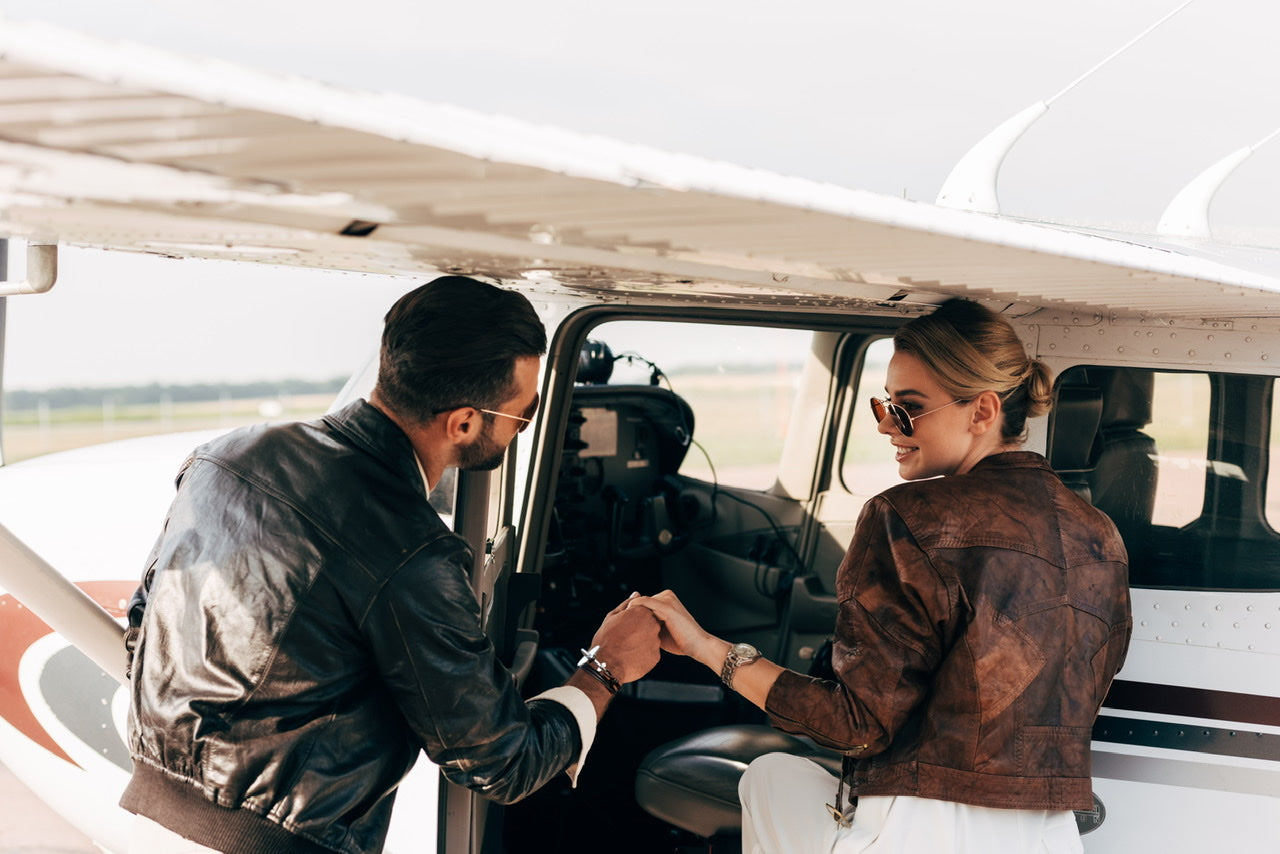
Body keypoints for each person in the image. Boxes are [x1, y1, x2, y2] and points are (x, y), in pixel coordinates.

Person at [121, 275, 661, 854]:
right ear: (464, 423)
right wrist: (604, 670)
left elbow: (143, 623)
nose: (524, 427)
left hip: (144, 816)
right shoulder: (412, 552)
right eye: (522, 416)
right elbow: (502, 762)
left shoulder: (226, 455)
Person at [633, 299, 1131, 853]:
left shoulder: (907, 517)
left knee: (767, 776)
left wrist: (708, 649)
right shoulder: (1099, 533)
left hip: (922, 832)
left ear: (983, 412)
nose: (888, 426)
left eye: (909, 408)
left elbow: (857, 726)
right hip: (1050, 835)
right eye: (884, 405)